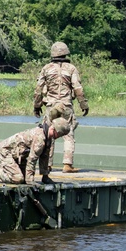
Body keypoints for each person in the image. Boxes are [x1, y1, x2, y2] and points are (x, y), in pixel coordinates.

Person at [33, 41, 89, 173]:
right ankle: (67, 164)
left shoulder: (46, 68)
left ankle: (47, 164)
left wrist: (37, 105)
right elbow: (77, 88)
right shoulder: (71, 69)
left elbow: (38, 89)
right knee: (68, 134)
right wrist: (83, 104)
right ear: (66, 53)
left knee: (48, 134)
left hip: (51, 105)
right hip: (66, 105)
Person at [0, 117, 71, 185]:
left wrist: (45, 177)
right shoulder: (40, 138)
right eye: (58, 134)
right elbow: (32, 159)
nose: (57, 137)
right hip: (6, 151)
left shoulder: (48, 138)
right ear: (54, 129)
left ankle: (9, 170)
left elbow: (45, 158)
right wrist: (30, 181)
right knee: (18, 178)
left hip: (19, 156)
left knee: (24, 178)